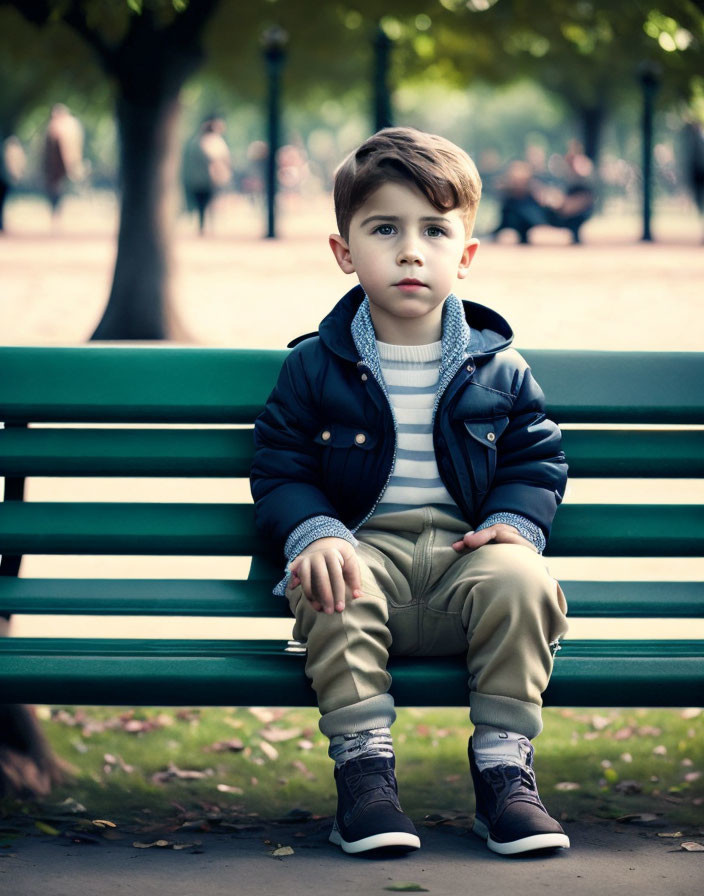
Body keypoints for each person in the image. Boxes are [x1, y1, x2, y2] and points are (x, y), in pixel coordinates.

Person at [250, 127, 569, 858]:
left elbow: (535, 456)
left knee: (523, 581)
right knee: (331, 583)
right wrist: (316, 532)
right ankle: (365, 774)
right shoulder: (314, 368)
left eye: (434, 230)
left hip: (468, 554)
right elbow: (280, 464)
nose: (409, 251)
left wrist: (516, 523)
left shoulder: (500, 368)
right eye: (384, 228)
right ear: (343, 251)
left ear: (465, 255)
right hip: (364, 548)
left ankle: (504, 775)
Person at [182, 115, 232, 235]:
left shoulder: (195, 141)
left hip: (198, 178)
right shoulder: (213, 141)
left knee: (202, 203)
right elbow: (221, 159)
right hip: (209, 178)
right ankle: (206, 226)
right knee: (207, 202)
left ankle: (203, 226)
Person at [42, 104, 84, 219]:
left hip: (60, 168)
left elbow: (70, 150)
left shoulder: (67, 128)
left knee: (58, 191)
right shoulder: (53, 129)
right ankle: (56, 212)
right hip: (55, 169)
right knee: (55, 191)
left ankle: (57, 212)